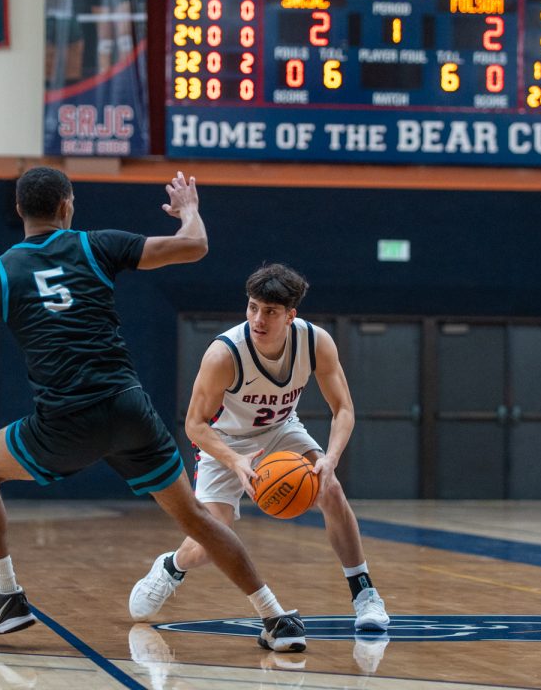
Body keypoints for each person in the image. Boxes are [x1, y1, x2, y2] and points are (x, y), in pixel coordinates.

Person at [0, 166, 307, 653]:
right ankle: (275, 619)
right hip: (129, 408)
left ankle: (7, 598)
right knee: (197, 519)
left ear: (18, 211)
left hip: (65, 422)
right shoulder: (97, 245)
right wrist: (189, 210)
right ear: (68, 205)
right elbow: (194, 245)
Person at [128, 264, 391, 636]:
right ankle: (172, 567)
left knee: (329, 489)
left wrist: (330, 459)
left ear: (290, 315)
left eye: (269, 311)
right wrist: (234, 460)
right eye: (253, 307)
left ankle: (364, 594)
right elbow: (194, 424)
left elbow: (343, 409)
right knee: (209, 542)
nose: (258, 319)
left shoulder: (315, 343)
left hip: (281, 430)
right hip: (227, 442)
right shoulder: (224, 354)